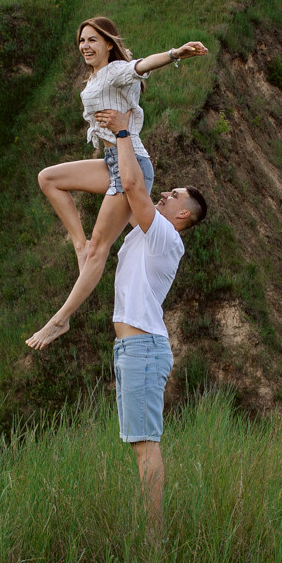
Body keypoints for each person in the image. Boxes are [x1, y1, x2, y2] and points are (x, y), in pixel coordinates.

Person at [25, 17, 207, 349]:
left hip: (131, 163)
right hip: (112, 161)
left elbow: (142, 64)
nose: (85, 46)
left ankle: (60, 320)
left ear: (109, 44)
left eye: (92, 40)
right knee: (48, 178)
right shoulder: (95, 78)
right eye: (81, 41)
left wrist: (175, 53)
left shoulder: (117, 70)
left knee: (100, 247)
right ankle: (78, 244)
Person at [91, 107, 209, 529]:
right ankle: (149, 529)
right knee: (139, 444)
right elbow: (124, 191)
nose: (166, 195)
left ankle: (153, 538)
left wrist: (124, 130)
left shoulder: (164, 236)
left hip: (141, 348)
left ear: (183, 216)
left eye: (174, 195)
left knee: (146, 446)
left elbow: (136, 186)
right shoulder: (147, 232)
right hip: (131, 347)